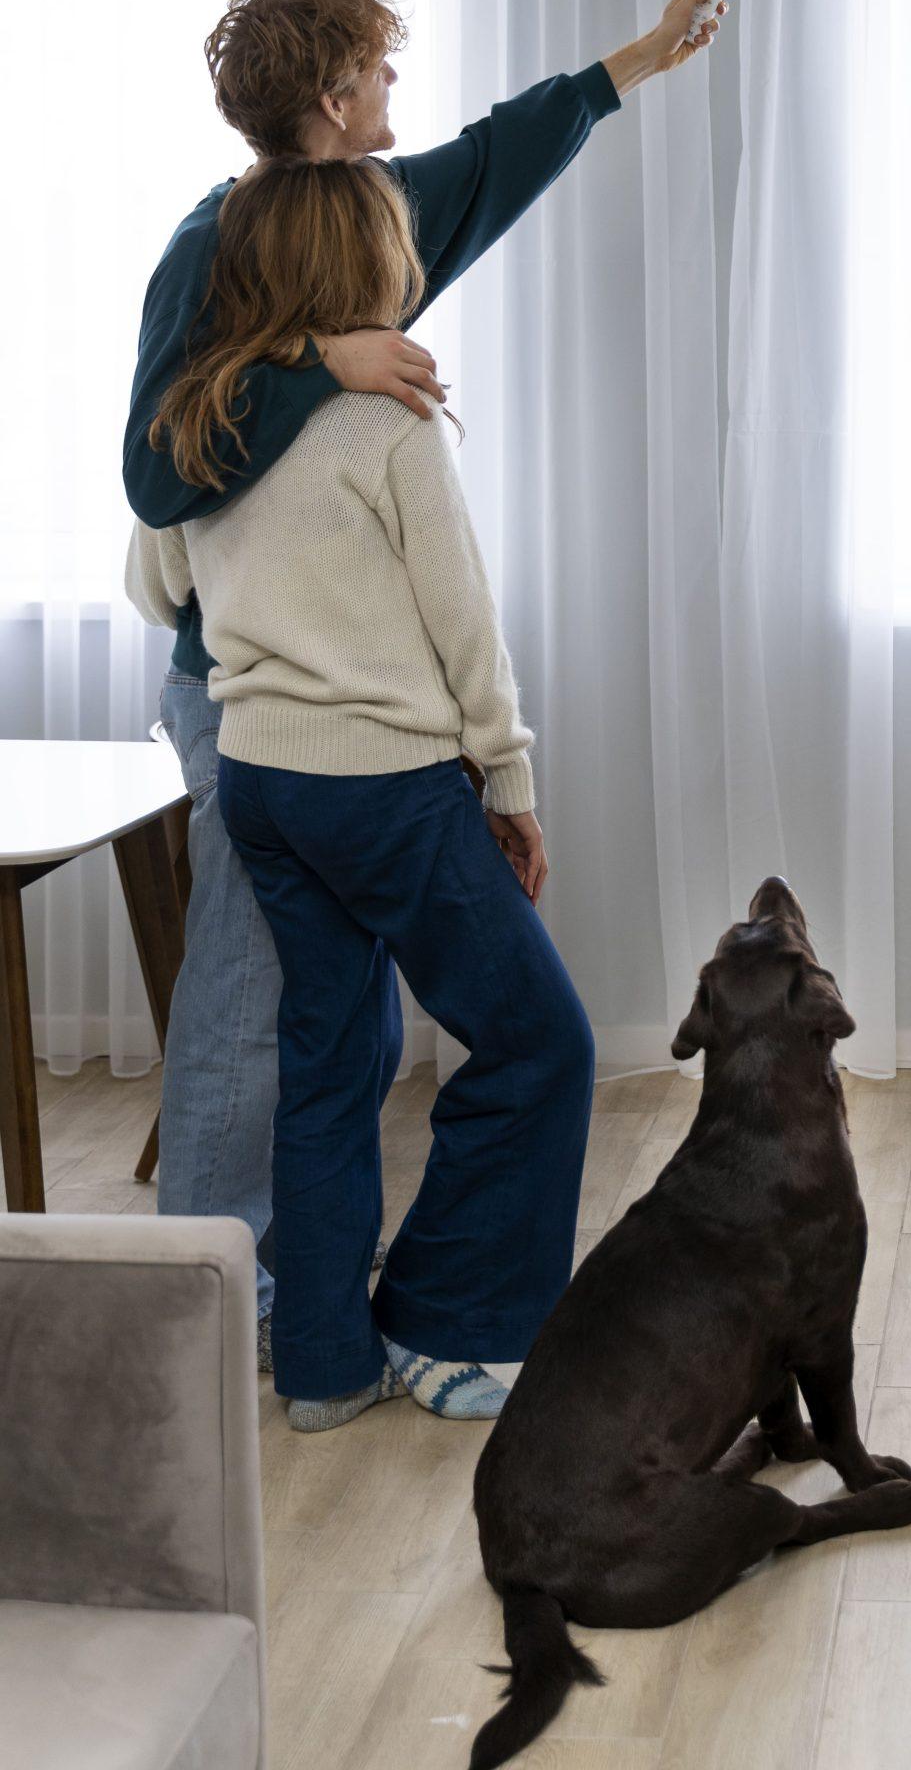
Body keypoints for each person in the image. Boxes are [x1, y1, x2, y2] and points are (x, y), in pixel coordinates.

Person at [125, 0, 724, 1363]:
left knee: (334, 1041)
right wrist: (320, 364)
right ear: (334, 99)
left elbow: (501, 152)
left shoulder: (377, 216)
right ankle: (208, 1305)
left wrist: (636, 57)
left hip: (344, 708)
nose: (400, 91)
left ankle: (315, 1327)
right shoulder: (214, 248)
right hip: (254, 699)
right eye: (381, 71)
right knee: (250, 1006)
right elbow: (160, 475)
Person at [129, 152, 578, 1428]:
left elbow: (159, 586)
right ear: (366, 270)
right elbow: (463, 623)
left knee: (330, 1065)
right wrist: (509, 775)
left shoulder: (200, 422)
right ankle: (454, 1325)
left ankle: (324, 1366)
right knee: (542, 1040)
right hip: (386, 787)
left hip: (264, 778)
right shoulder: (388, 425)